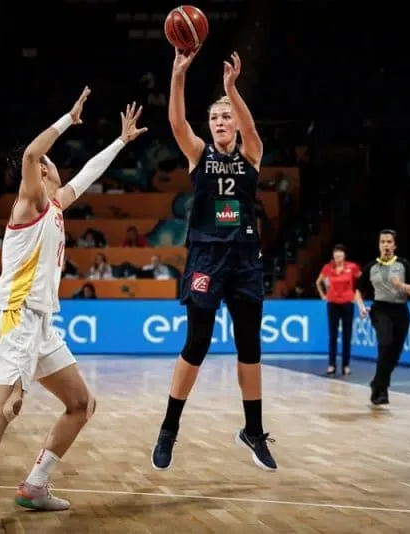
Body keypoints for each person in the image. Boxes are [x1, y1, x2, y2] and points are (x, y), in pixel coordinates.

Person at [0, 88, 147, 528]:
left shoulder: (56, 205)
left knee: (81, 402)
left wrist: (120, 142)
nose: (56, 168)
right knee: (4, 407)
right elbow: (31, 152)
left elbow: (87, 174)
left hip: (41, 321)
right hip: (14, 315)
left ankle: (34, 485)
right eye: (48, 165)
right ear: (41, 172)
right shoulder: (32, 201)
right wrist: (67, 118)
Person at [150, 49, 277, 472]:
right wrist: (178, 75)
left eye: (227, 117)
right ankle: (169, 429)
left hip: (244, 259)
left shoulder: (251, 154)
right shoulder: (199, 154)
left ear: (236, 124)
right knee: (197, 344)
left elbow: (253, 127)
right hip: (206, 256)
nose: (221, 123)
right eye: (216, 118)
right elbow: (175, 122)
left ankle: (253, 431)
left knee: (250, 348)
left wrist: (230, 90)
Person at [355, 230, 410, 405]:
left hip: (400, 310)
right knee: (385, 344)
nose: (386, 245)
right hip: (380, 309)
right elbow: (358, 291)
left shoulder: (403, 265)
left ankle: (377, 382)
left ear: (394, 245)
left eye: (389, 242)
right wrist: (361, 307)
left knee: (394, 354)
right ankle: (382, 390)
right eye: (382, 241)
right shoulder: (371, 267)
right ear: (379, 245)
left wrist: (401, 285)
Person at [315, 244, 362, 376]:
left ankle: (346, 365)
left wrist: (358, 294)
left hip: (347, 303)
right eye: (336, 255)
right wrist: (323, 295)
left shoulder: (352, 267)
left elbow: (362, 279)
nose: (338, 257)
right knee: (333, 335)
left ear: (344, 256)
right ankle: (332, 365)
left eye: (340, 255)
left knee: (347, 335)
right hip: (332, 304)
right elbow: (318, 281)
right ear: (333, 256)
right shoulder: (327, 268)